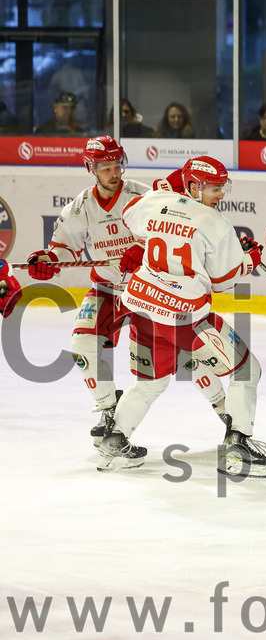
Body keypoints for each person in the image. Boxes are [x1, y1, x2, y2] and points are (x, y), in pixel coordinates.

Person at [24, 137, 227, 447]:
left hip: (148, 291)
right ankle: (108, 410)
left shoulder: (142, 194)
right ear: (91, 168)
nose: (114, 173)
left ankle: (227, 413)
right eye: (106, 168)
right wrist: (48, 261)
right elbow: (62, 248)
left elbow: (168, 227)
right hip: (106, 288)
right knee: (82, 345)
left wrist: (142, 245)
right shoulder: (80, 207)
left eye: (117, 165)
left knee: (186, 356)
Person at [98, 156, 266, 475]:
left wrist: (144, 244)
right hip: (184, 318)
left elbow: (128, 213)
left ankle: (115, 441)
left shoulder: (155, 200)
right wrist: (248, 259)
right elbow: (222, 281)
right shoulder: (216, 224)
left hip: (143, 309)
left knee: (149, 384)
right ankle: (236, 447)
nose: (220, 195)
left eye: (222, 187)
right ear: (192, 186)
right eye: (214, 188)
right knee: (247, 369)